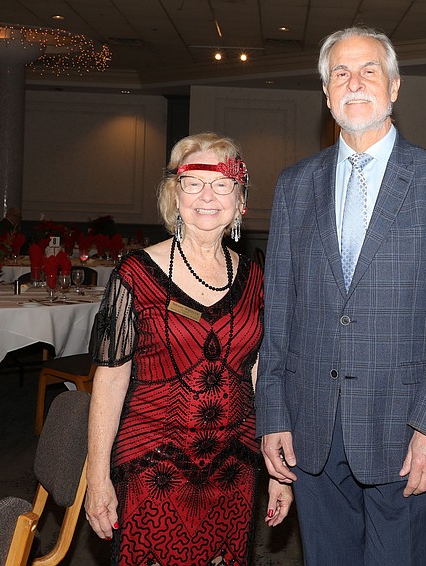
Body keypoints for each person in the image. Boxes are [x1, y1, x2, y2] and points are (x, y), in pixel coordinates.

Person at [256, 26, 426, 566]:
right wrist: (272, 414)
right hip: (312, 432)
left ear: (395, 86)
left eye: (369, 70)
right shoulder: (293, 185)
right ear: (327, 94)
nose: (354, 84)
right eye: (340, 74)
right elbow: (277, 313)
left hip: (406, 438)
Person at [84, 132, 293, 565]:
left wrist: (278, 469)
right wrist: (97, 475)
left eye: (222, 185)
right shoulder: (136, 274)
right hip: (153, 465)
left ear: (240, 202)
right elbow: (110, 378)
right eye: (192, 183)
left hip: (236, 464)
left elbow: (261, 373)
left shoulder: (256, 278)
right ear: (174, 197)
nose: (207, 196)